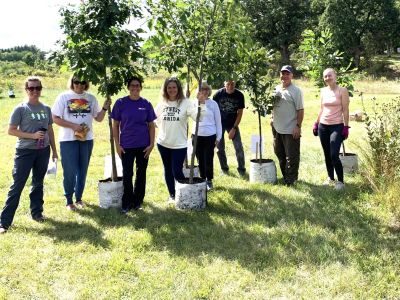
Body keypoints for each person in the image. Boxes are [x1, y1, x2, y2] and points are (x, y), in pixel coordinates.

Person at [0, 76, 58, 234]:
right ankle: (4, 222)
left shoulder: (46, 108)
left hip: (43, 151)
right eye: (31, 88)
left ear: (41, 89)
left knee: (38, 183)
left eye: (37, 88)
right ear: (26, 90)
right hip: (25, 152)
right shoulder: (21, 108)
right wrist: (32, 136)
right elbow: (11, 130)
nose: (35, 91)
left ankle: (37, 213)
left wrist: (54, 150)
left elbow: (50, 130)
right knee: (17, 185)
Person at [52, 75, 111, 211]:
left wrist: (104, 108)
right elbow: (55, 118)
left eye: (82, 82)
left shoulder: (91, 98)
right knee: (70, 171)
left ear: (86, 83)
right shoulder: (63, 97)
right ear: (72, 82)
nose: (79, 84)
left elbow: (99, 118)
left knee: (82, 170)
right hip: (68, 140)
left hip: (86, 139)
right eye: (76, 82)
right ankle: (69, 200)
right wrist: (73, 126)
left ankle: (79, 198)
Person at [111, 77, 156, 213]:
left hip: (144, 145)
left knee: (141, 174)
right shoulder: (120, 103)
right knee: (127, 174)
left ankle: (137, 201)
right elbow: (115, 125)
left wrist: (152, 144)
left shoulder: (146, 104)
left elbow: (151, 126)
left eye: (137, 85)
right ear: (128, 87)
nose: (135, 88)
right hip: (127, 145)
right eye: (132, 85)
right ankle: (127, 202)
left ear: (141, 87)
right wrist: (117, 145)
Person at [155, 77, 202, 202]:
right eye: (169, 87)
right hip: (163, 143)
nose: (172, 90)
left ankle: (183, 193)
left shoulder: (185, 102)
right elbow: (154, 121)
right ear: (165, 89)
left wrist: (201, 103)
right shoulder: (161, 103)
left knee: (176, 170)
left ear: (178, 88)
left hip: (179, 145)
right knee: (167, 170)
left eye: (174, 87)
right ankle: (172, 195)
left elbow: (199, 118)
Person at [313, 68, 350, 190]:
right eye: (325, 76)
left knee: (334, 154)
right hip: (323, 126)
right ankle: (330, 178)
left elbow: (345, 109)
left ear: (335, 76)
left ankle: (340, 182)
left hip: (337, 126)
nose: (327, 78)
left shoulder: (342, 90)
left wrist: (345, 126)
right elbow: (321, 109)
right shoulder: (323, 91)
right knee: (327, 154)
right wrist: (316, 123)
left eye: (329, 75)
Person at [271, 65, 304, 186]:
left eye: (287, 74)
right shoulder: (276, 89)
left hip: (291, 129)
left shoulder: (296, 91)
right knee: (279, 153)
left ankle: (291, 180)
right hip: (277, 128)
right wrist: (272, 117)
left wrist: (298, 126)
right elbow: (273, 106)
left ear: (291, 76)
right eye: (282, 73)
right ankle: (286, 176)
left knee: (292, 156)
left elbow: (300, 110)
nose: (284, 76)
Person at [192, 82, 222, 191]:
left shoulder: (213, 104)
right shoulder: (194, 103)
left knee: (208, 158)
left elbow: (218, 122)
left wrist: (218, 138)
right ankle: (202, 178)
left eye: (205, 89)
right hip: (197, 135)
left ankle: (209, 180)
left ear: (209, 91)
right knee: (199, 158)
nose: (204, 91)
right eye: (201, 89)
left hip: (210, 135)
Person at [213, 80, 246, 176]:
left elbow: (240, 114)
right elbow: (213, 111)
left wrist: (234, 128)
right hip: (219, 124)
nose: (230, 86)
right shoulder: (218, 94)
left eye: (232, 84)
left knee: (238, 147)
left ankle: (242, 169)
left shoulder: (239, 95)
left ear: (235, 84)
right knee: (220, 148)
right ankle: (224, 169)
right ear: (224, 84)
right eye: (228, 84)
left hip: (233, 123)